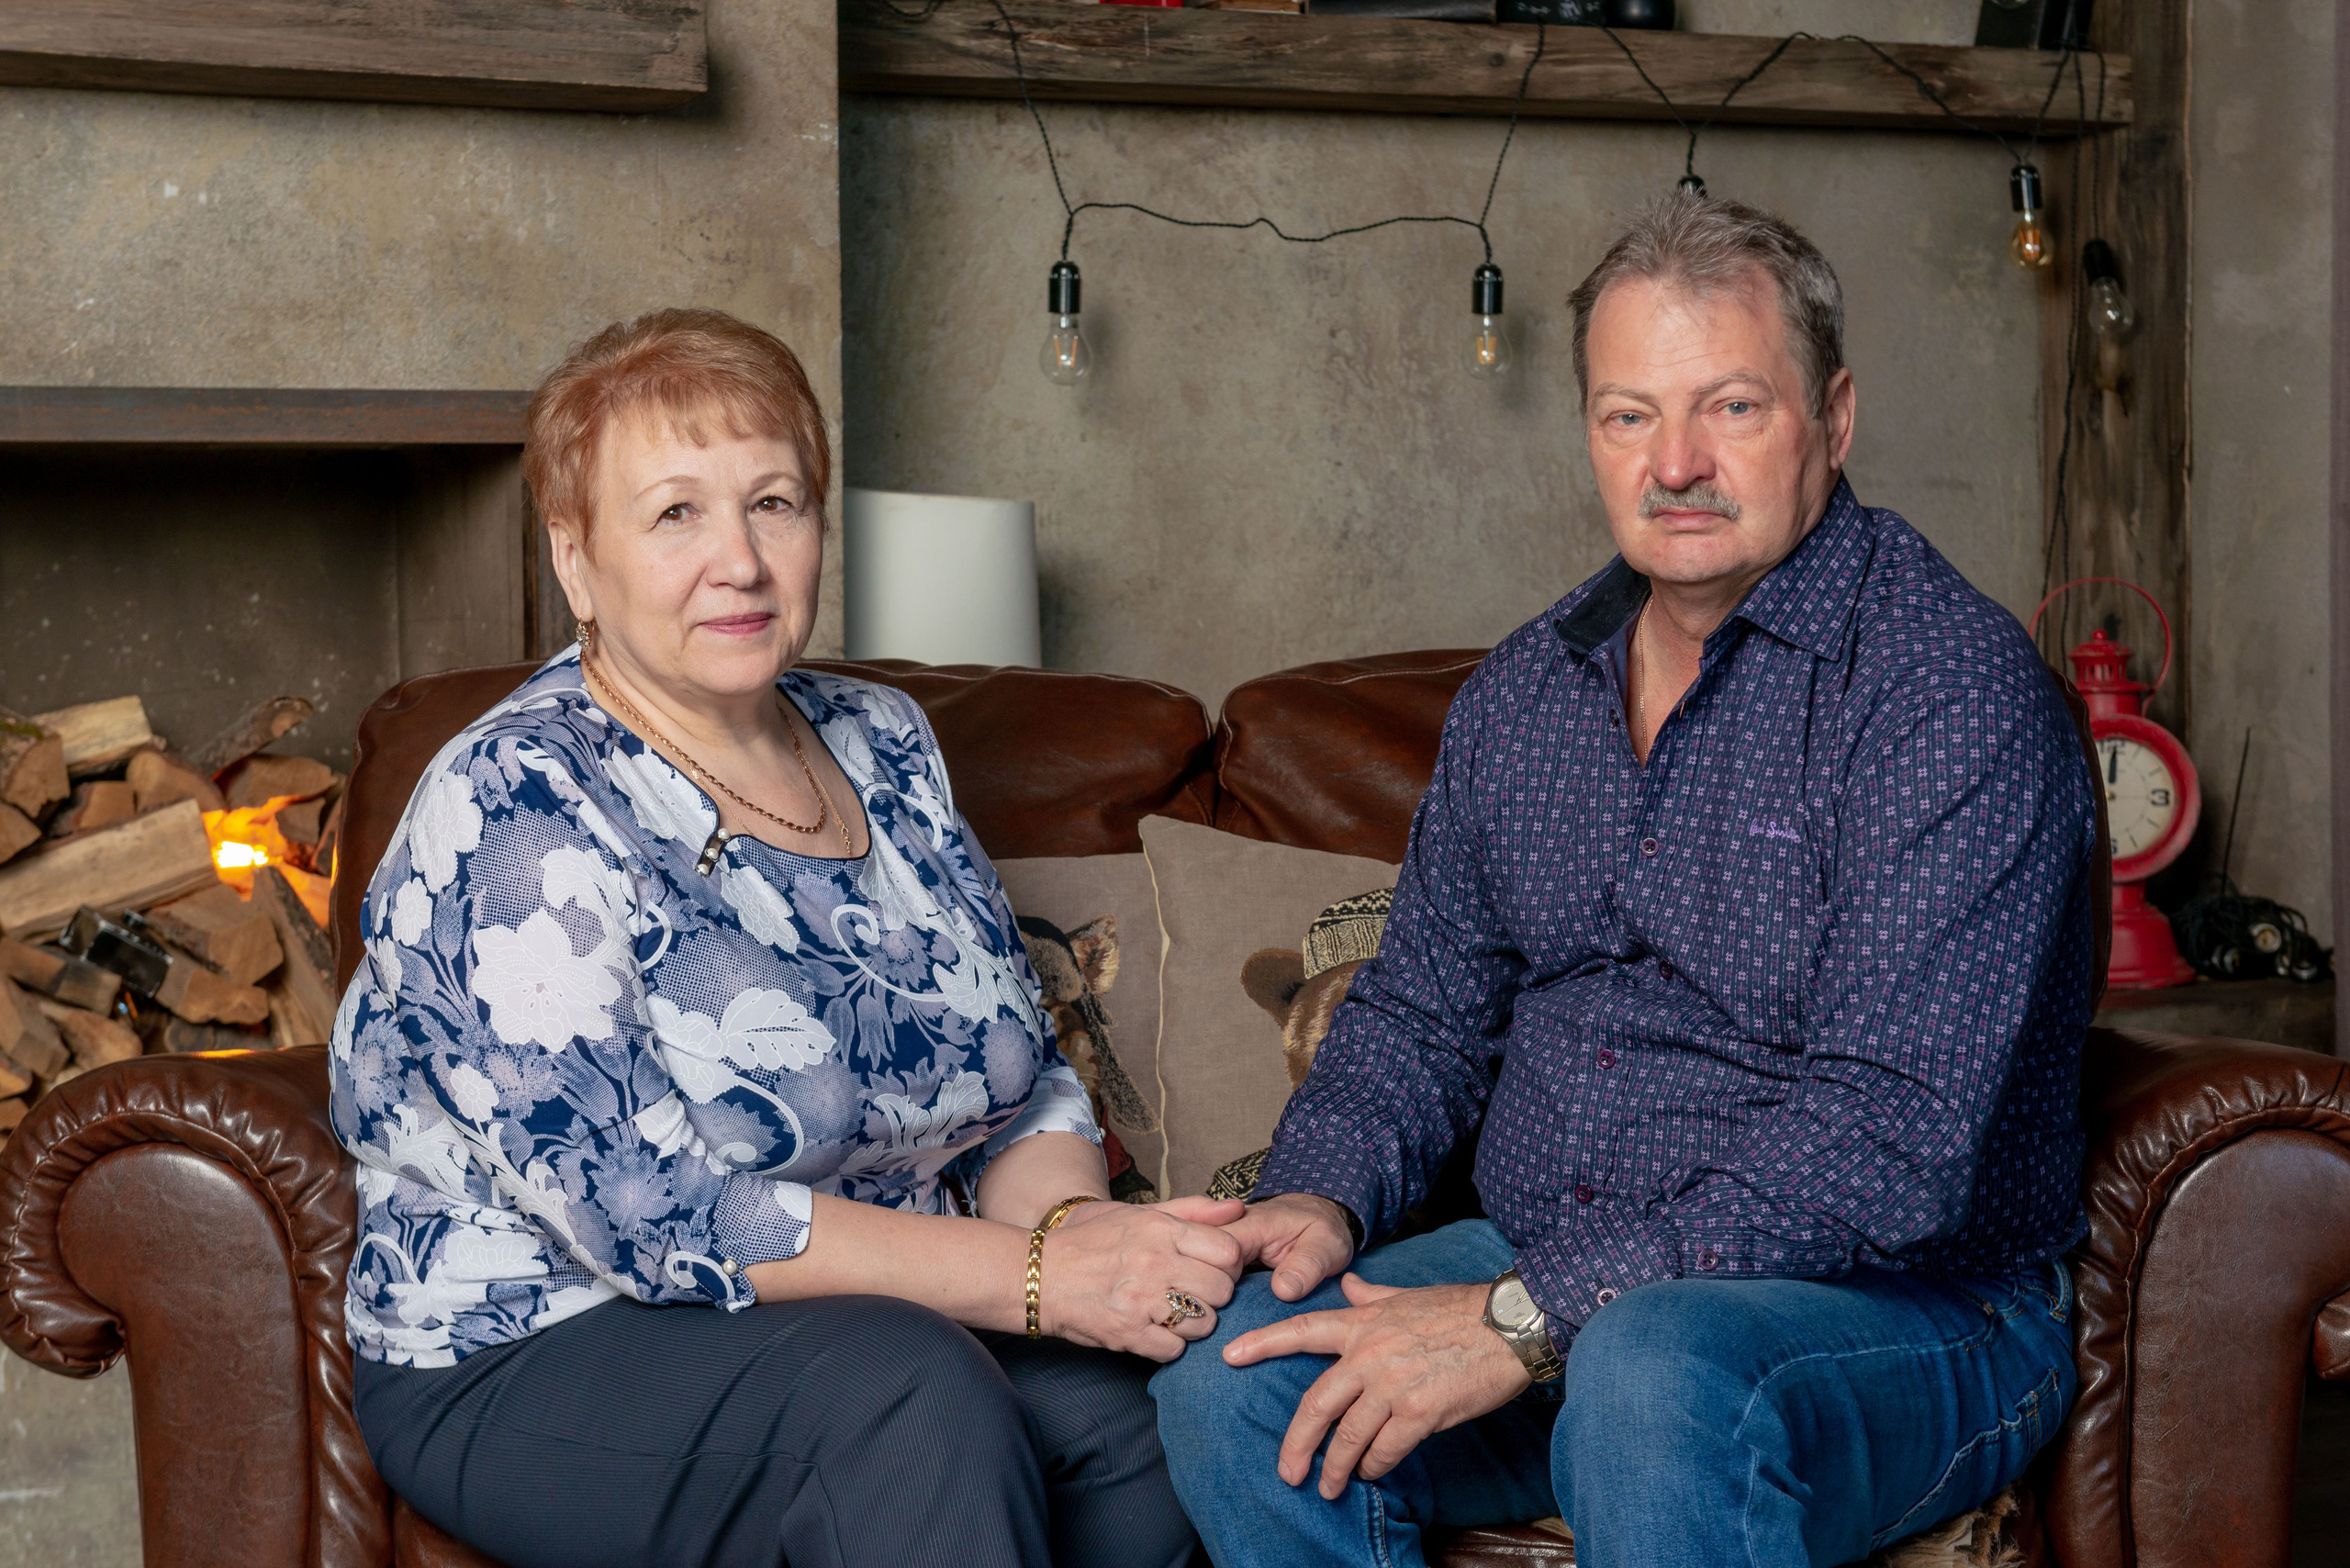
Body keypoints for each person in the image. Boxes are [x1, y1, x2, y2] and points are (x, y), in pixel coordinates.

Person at [1152, 195, 2098, 1568]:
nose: (1678, 465)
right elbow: (1422, 1016)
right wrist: (1321, 1195)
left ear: (1833, 419)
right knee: (1234, 1371)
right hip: (1544, 1279)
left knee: (1652, 1375)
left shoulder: (1947, 694)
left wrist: (1529, 1316)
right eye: (1629, 415)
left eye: (1732, 409)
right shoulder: (1526, 693)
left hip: (1899, 1316)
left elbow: (1887, 1141)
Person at [329, 308, 1241, 1568]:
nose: (741, 562)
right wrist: (1028, 1285)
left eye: (775, 502)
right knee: (909, 1401)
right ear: (577, 562)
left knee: (1158, 1417)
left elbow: (1017, 1076)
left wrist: (1073, 1237)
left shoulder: (886, 741)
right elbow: (649, 1215)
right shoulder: (517, 803)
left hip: (883, 1310)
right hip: (541, 1342)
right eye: (675, 515)